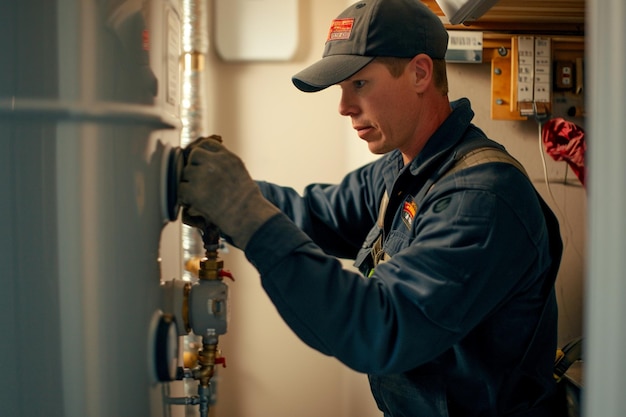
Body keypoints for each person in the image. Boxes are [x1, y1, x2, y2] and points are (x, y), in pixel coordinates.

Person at [178, 0, 563, 415]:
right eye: (341, 89)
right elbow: (316, 214)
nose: (344, 106)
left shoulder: (481, 199)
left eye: (359, 84)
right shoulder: (402, 169)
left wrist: (244, 213)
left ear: (419, 73)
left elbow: (380, 327)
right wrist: (222, 192)